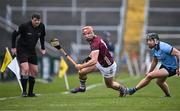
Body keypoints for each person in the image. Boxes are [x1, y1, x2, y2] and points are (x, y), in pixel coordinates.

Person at [70, 26, 127, 97]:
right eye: (84, 34)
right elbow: (94, 53)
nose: (86, 36)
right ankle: (82, 88)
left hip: (107, 66)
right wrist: (88, 58)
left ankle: (122, 89)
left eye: (88, 34)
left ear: (92, 33)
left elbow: (94, 61)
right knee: (82, 72)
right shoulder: (93, 39)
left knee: (110, 85)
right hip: (99, 62)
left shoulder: (95, 43)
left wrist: (81, 66)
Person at [127, 33, 180, 97]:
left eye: (150, 40)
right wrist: (149, 71)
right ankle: (167, 95)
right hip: (165, 66)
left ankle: (133, 90)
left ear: (156, 41)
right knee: (159, 82)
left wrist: (179, 67)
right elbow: (155, 61)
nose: (148, 42)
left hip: (172, 68)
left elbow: (178, 53)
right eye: (147, 40)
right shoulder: (154, 49)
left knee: (150, 76)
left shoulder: (164, 47)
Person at [11, 13, 46, 97]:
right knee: (25, 69)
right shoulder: (24, 26)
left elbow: (42, 37)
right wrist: (13, 47)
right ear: (31, 19)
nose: (37, 22)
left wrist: (43, 47)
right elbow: (14, 34)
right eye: (35, 20)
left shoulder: (41, 26)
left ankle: (30, 93)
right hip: (22, 50)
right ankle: (24, 92)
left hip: (32, 51)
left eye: (38, 20)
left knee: (35, 71)